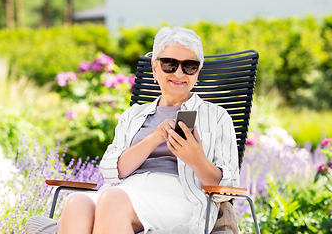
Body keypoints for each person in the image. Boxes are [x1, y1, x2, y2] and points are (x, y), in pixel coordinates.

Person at [57, 26, 239, 234]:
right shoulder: (133, 115)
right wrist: (154, 138)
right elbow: (110, 170)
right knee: (76, 203)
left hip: (182, 198)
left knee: (113, 201)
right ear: (154, 68)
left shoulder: (216, 117)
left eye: (189, 66)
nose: (179, 73)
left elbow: (229, 187)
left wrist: (196, 158)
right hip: (126, 190)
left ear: (198, 72)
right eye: (169, 64)